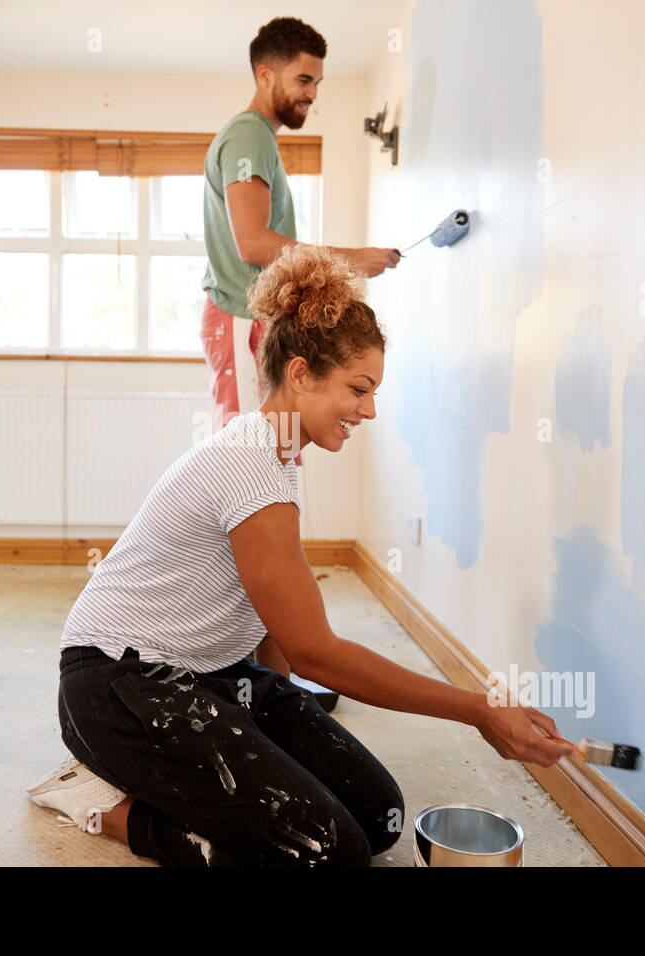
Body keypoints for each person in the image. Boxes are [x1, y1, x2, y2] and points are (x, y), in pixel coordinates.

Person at [28, 244, 577, 867]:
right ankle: (102, 803)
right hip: (119, 686)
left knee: (377, 814)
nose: (370, 409)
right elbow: (316, 651)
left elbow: (271, 618)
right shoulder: (251, 469)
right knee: (329, 852)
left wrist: (278, 738)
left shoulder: (279, 456)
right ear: (299, 374)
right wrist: (481, 710)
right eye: (359, 389)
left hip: (211, 673)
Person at [200, 16, 400, 683]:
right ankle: (267, 675)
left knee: (275, 477)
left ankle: (276, 670)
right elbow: (253, 243)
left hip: (254, 328)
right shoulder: (248, 135)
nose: (311, 92)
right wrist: (354, 258)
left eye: (317, 81)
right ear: (266, 73)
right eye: (303, 78)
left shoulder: (259, 141)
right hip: (240, 324)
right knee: (255, 481)